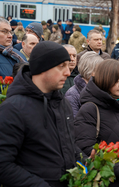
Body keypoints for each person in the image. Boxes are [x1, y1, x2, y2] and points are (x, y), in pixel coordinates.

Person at [0, 41, 84, 186]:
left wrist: (87, 167)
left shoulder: (63, 104)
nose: (68, 72)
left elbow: (69, 146)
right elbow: (3, 164)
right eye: (61, 66)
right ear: (42, 67)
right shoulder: (13, 108)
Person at [74, 59, 119, 187]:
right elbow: (85, 148)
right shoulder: (90, 109)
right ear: (105, 79)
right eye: (117, 81)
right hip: (104, 180)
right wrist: (118, 168)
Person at [65, 51, 103, 117]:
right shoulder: (72, 94)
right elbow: (74, 122)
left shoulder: (101, 89)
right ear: (90, 71)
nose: (103, 73)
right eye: (100, 70)